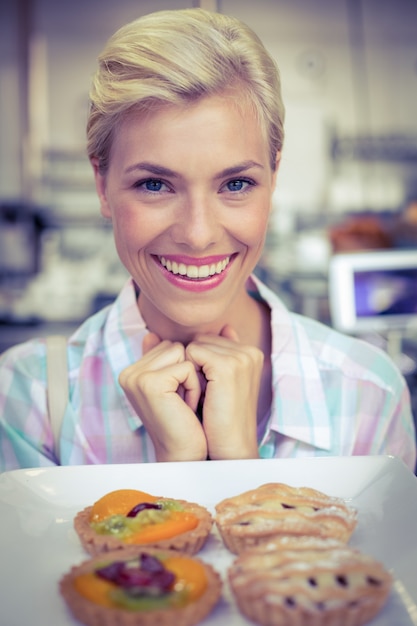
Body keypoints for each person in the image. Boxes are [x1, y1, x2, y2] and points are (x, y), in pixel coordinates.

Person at [0, 8, 415, 472]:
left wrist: (238, 464)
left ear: (273, 177)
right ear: (102, 184)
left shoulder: (369, 395)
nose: (198, 235)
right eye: (155, 185)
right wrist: (180, 468)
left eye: (235, 184)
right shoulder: (28, 398)